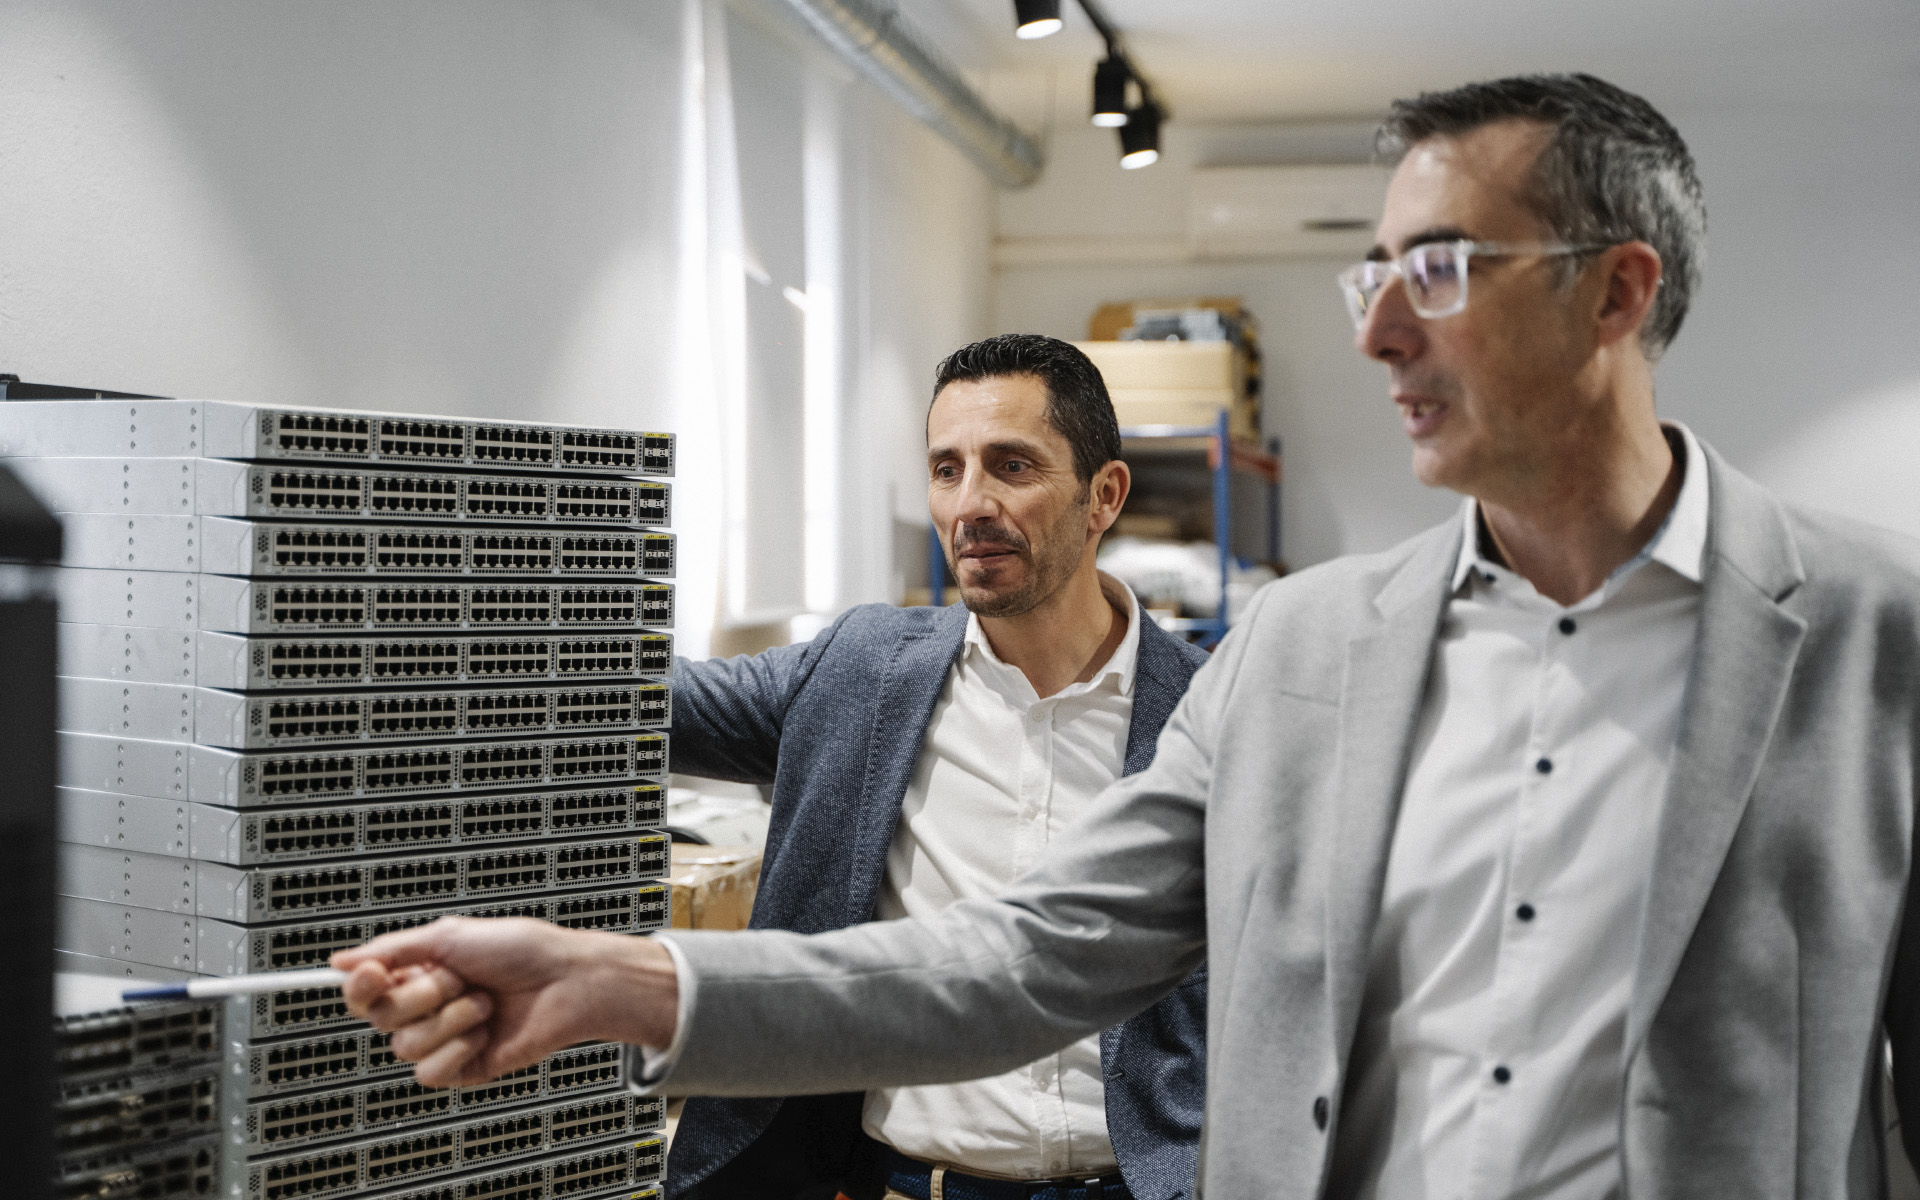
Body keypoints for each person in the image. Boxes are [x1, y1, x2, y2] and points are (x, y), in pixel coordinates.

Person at [337, 74, 1920, 1199]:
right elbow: (1024, 957)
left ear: (1616, 294)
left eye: (1438, 272)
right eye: (1372, 276)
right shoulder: (1303, 656)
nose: (1376, 332)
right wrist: (618, 978)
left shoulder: (1878, 642)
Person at [374, 333, 1211, 1200]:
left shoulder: (1211, 713)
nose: (971, 503)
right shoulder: (865, 670)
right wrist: (398, 625)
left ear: (1103, 495)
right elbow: (644, 701)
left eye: (1012, 466)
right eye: (946, 469)